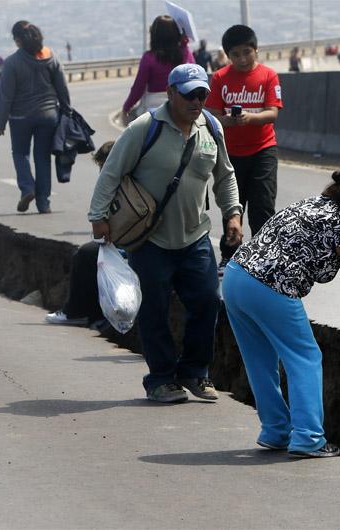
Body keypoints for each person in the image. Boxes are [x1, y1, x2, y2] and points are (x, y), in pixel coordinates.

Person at [88, 63, 243, 404]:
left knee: (207, 302)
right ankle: (160, 378)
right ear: (171, 93)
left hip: (195, 236)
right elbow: (111, 172)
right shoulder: (145, 128)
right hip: (150, 240)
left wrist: (232, 213)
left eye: (202, 94)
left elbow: (225, 176)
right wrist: (98, 217)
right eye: (189, 95)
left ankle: (194, 371)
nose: (196, 101)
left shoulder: (211, 128)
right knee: (154, 309)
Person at [222, 167, 340, 458]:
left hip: (235, 277)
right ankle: (308, 437)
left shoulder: (314, 203)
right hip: (271, 286)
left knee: (259, 360)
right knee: (306, 358)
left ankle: (275, 430)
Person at [206, 25, 283, 276]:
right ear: (228, 55)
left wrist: (250, 117)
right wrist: (227, 120)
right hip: (230, 153)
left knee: (262, 206)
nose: (241, 59)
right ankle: (229, 256)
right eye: (235, 54)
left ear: (256, 50)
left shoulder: (269, 76)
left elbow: (272, 113)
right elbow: (213, 114)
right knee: (233, 207)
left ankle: (264, 259)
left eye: (247, 53)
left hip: (263, 150)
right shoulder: (219, 78)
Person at [0, 20, 71, 214]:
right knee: (42, 158)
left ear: (18, 40)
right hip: (48, 116)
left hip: (20, 118)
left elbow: (5, 96)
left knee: (20, 154)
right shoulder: (51, 56)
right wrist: (67, 109)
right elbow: (62, 86)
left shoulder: (12, 62)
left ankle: (27, 188)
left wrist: (1, 122)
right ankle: (44, 203)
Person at [46, 141, 116, 327]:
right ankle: (95, 315)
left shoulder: (119, 184)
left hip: (136, 245)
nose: (101, 171)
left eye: (102, 166)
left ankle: (76, 312)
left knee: (87, 255)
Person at [122, 15, 194, 126]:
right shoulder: (185, 54)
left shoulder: (149, 58)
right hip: (181, 108)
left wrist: (126, 108)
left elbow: (138, 88)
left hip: (154, 111)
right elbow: (194, 73)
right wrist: (184, 44)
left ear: (154, 35)